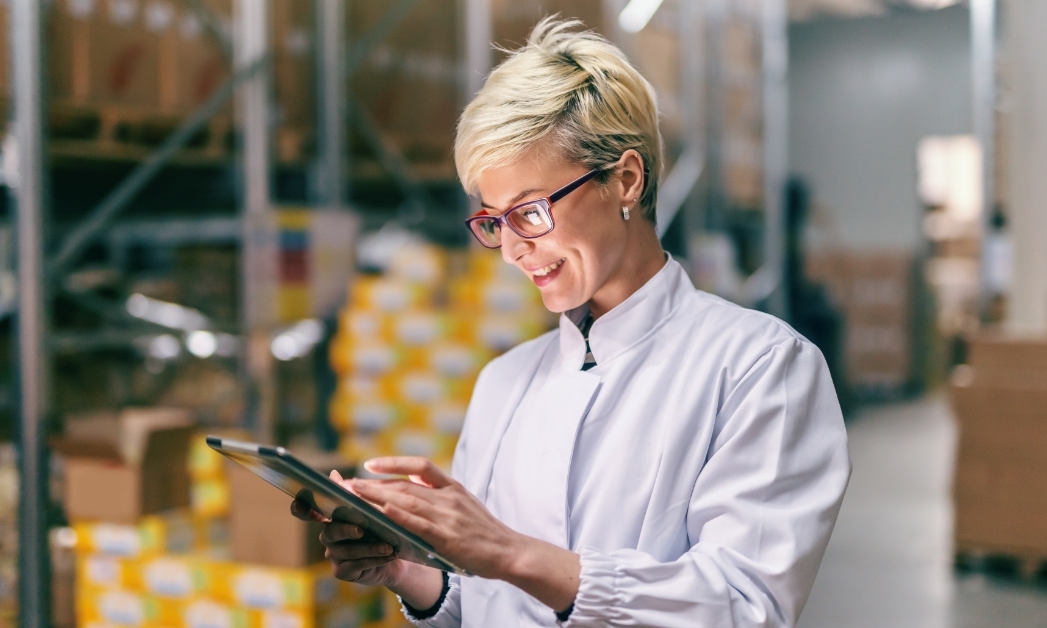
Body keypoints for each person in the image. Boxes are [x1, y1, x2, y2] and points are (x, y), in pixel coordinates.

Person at [293, 18, 850, 627]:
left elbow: (747, 608)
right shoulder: (505, 382)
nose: (512, 249)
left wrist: (508, 552)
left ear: (625, 180)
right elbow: (485, 605)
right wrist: (412, 573)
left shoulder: (760, 367)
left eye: (530, 211)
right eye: (494, 221)